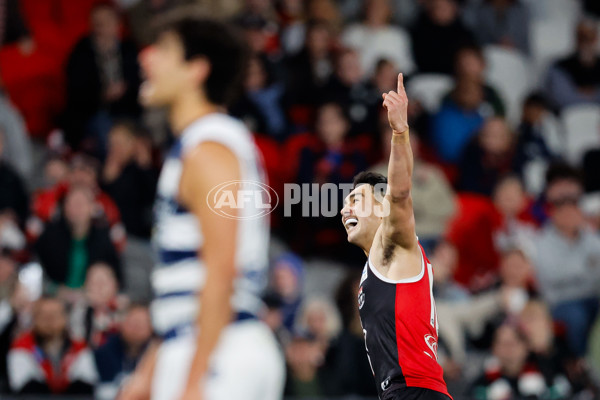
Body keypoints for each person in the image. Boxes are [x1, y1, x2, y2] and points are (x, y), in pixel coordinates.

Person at [120, 14, 284, 400]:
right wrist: (146, 376)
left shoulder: (210, 151)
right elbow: (192, 287)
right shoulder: (201, 145)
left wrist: (195, 381)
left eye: (162, 51)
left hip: (220, 352)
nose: (146, 58)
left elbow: (221, 269)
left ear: (196, 70)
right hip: (203, 344)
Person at [340, 73, 451, 399]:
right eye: (346, 204)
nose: (346, 210)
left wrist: (399, 132)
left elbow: (400, 192)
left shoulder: (396, 246)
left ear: (383, 210)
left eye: (357, 201)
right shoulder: (376, 264)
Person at [533, 164, 600, 358]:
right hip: (561, 303)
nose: (570, 215)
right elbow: (551, 278)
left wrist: (578, 275)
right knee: (576, 316)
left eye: (574, 210)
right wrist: (586, 272)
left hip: (592, 298)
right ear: (554, 215)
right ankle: (579, 363)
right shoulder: (542, 242)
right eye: (564, 211)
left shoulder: (591, 238)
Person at [7, 297, 98, 394]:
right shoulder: (21, 347)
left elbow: (87, 386)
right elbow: (23, 387)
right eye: (43, 315)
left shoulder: (79, 347)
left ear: (65, 317)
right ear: (34, 318)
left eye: (55, 314)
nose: (49, 320)